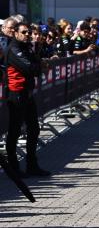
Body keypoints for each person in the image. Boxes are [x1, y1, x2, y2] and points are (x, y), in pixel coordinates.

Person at [5, 22, 51, 177]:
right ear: (15, 33)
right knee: (15, 131)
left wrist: (39, 64)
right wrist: (39, 65)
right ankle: (13, 167)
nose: (27, 35)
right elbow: (32, 68)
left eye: (29, 32)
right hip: (16, 94)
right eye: (24, 32)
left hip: (28, 93)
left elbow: (37, 63)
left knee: (34, 129)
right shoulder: (14, 49)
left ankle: (32, 165)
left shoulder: (27, 47)